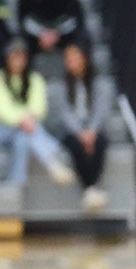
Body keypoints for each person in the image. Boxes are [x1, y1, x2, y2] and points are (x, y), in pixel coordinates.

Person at [0, 40, 74, 188]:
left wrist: (26, 121)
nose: (18, 62)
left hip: (26, 130)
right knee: (26, 131)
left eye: (21, 57)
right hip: (0, 130)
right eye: (14, 57)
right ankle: (52, 160)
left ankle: (17, 182)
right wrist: (23, 120)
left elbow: (39, 107)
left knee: (22, 139)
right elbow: (1, 109)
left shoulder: (35, 79)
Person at [53, 42, 115, 211]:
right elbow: (65, 114)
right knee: (76, 145)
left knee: (100, 143)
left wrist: (92, 131)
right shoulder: (63, 85)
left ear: (84, 59)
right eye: (68, 58)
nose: (72, 62)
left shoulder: (99, 83)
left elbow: (101, 110)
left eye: (75, 57)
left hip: (94, 129)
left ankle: (90, 189)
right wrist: (81, 133)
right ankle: (92, 188)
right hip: (73, 131)